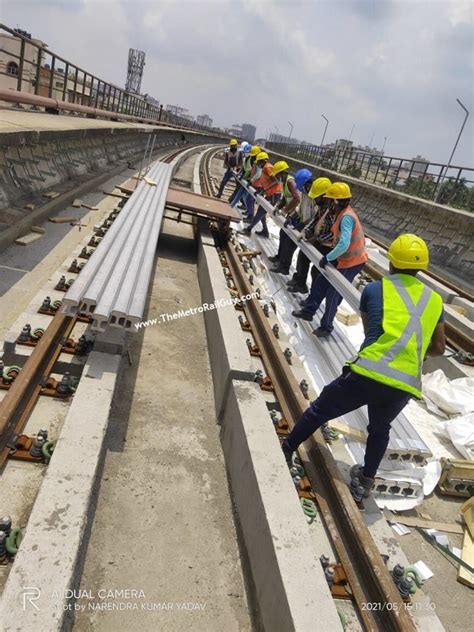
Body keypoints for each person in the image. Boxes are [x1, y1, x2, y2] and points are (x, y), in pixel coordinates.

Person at [282, 233, 445, 499]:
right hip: (404, 383)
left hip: (369, 372)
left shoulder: (374, 289)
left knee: (320, 409)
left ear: (390, 263)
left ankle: (288, 448)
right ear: (421, 268)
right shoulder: (435, 301)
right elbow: (438, 347)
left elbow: (372, 334)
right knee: (380, 428)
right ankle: (366, 481)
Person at [292, 182, 368, 337]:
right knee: (321, 280)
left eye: (329, 200)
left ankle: (326, 326)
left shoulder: (346, 217)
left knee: (333, 293)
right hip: (342, 257)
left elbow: (344, 243)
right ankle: (309, 311)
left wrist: (328, 257)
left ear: (335, 201)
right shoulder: (339, 213)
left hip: (352, 262)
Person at [286, 176, 334, 294]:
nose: (315, 200)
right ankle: (300, 283)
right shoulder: (323, 206)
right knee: (303, 256)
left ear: (324, 196)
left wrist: (317, 238)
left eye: (317, 197)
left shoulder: (334, 211)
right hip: (319, 239)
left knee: (316, 271)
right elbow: (315, 219)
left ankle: (313, 296)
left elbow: (334, 234)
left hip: (329, 246)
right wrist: (305, 231)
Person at [267, 161, 300, 275]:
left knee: (288, 242)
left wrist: (285, 210)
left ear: (281, 173)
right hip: (290, 214)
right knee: (282, 235)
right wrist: (278, 207)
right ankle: (279, 257)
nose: (275, 177)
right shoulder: (285, 182)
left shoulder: (290, 182)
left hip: (296, 216)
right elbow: (285, 198)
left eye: (276, 174)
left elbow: (296, 198)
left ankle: (284, 267)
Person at [243, 152, 282, 238]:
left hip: (274, 194)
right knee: (262, 213)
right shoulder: (265, 167)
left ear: (264, 161)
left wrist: (264, 190)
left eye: (260, 162)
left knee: (261, 211)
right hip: (270, 193)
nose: (258, 164)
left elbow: (276, 181)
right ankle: (265, 231)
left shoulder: (267, 168)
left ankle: (249, 228)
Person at [230, 143, 252, 209]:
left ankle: (247, 209)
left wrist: (244, 176)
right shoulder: (246, 159)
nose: (245, 154)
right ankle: (231, 205)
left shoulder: (252, 160)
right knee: (240, 193)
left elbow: (250, 170)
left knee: (246, 196)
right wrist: (239, 173)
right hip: (246, 178)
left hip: (250, 181)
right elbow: (243, 168)